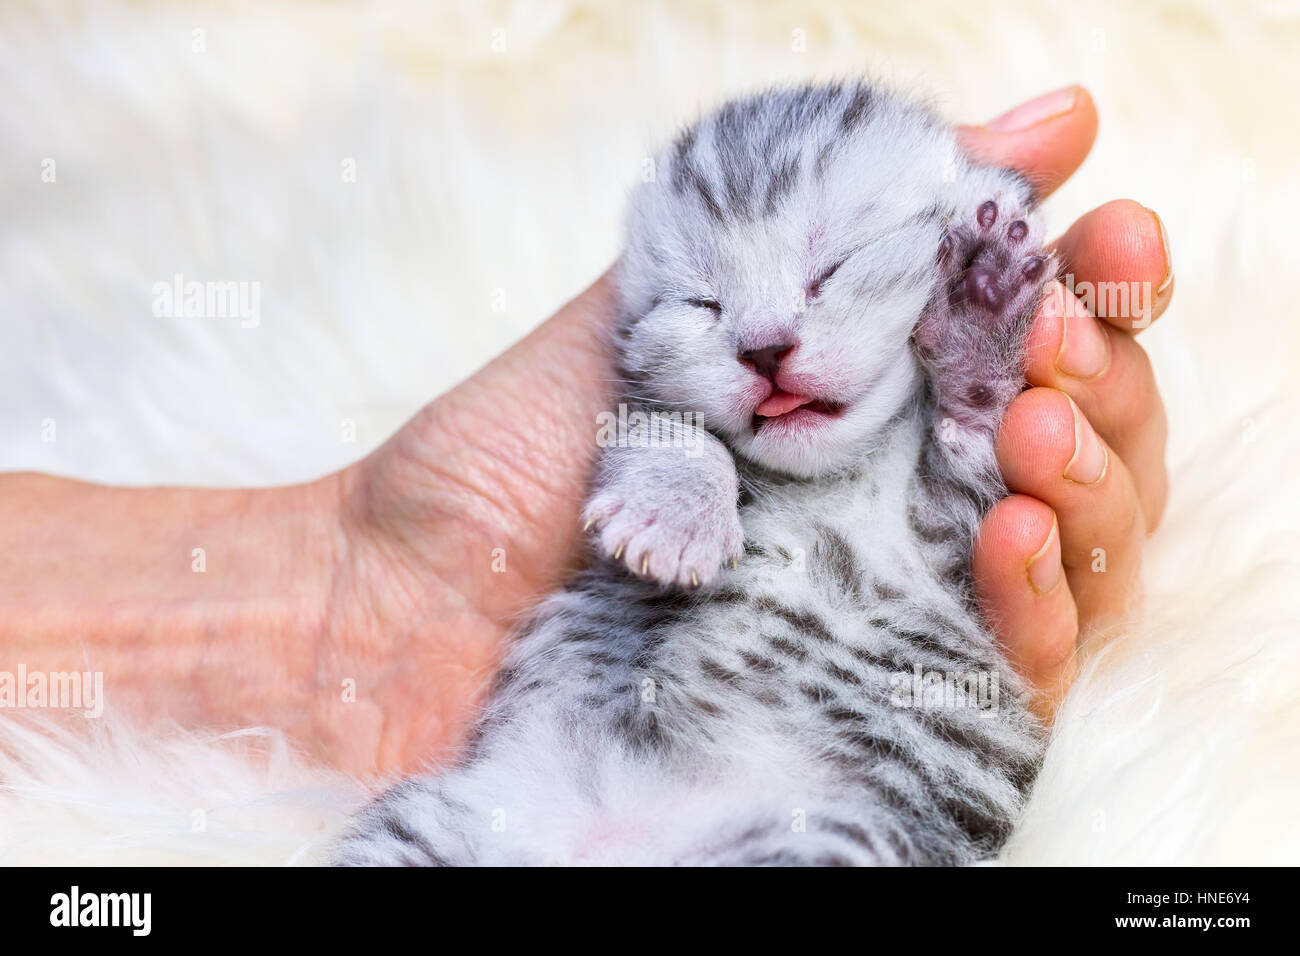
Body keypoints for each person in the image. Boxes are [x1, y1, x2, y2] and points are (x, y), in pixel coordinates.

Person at [0, 87, 1170, 777]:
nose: (762, 335)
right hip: (573, 749)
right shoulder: (670, 418)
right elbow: (650, 430)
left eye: (832, 269)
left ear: (963, 221)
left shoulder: (948, 286)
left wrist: (973, 386)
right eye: (698, 307)